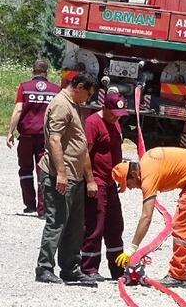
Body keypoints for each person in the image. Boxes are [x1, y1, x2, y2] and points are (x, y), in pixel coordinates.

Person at [112, 147, 186, 288]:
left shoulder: (148, 177)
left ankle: (177, 275)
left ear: (134, 173)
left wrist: (131, 249)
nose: (131, 188)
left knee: (182, 229)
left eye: (129, 184)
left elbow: (146, 217)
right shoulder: (145, 164)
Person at [34, 72, 99, 285]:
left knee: (75, 226)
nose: (88, 99)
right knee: (57, 222)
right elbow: (55, 140)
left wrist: (89, 178)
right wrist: (61, 173)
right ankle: (44, 268)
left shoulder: (74, 106)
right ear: (79, 87)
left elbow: (81, 145)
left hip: (75, 176)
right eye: (88, 94)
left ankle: (70, 267)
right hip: (60, 176)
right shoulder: (61, 105)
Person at [80, 91, 127, 281]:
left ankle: (118, 269)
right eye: (113, 113)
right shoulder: (92, 123)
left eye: (119, 115)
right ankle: (89, 267)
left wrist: (121, 178)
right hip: (97, 182)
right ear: (104, 107)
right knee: (95, 225)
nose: (116, 117)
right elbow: (84, 153)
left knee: (115, 225)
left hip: (110, 182)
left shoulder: (115, 123)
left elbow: (117, 152)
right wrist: (90, 180)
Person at [6, 59, 60, 216]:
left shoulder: (24, 87)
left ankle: (29, 204)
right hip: (45, 137)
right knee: (43, 170)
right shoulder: (56, 90)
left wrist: (10, 131)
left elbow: (18, 109)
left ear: (33, 71)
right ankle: (43, 208)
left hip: (26, 136)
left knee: (25, 169)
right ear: (46, 72)